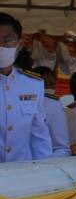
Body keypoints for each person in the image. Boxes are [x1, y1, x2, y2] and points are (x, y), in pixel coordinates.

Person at [0, 13, 52, 163]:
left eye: (7, 40)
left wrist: (44, 173)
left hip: (23, 176)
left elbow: (39, 134)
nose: (1, 46)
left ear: (19, 44)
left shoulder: (33, 84)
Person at [36, 68, 71, 157]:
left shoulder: (53, 105)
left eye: (51, 84)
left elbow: (61, 147)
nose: (48, 87)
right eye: (45, 84)